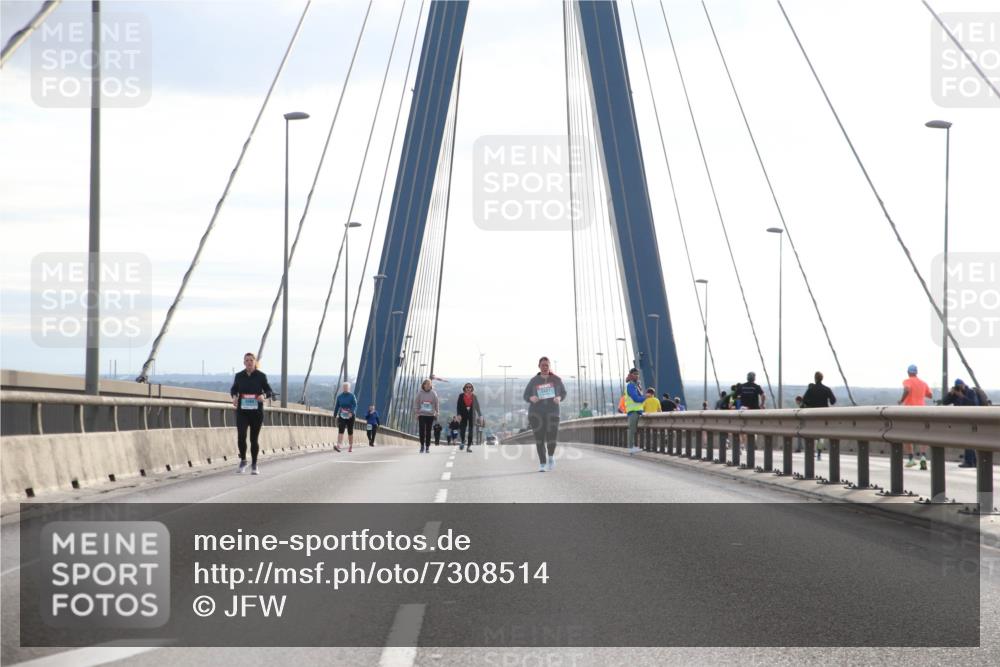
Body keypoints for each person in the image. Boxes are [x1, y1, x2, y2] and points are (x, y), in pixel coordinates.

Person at [230, 352, 273, 475]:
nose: (249, 362)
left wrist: (263, 395)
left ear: (255, 362)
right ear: (244, 362)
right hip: (242, 411)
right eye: (247, 360)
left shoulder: (261, 376)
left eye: (251, 360)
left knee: (254, 439)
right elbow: (234, 389)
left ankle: (254, 464)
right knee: (241, 436)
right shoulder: (239, 376)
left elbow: (269, 390)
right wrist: (234, 397)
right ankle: (243, 460)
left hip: (256, 412)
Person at [523, 356, 568, 472]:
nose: (544, 367)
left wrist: (559, 397)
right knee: (540, 440)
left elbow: (564, 393)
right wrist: (531, 398)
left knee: (552, 438)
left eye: (546, 365)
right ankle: (542, 463)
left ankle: (551, 457)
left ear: (549, 366)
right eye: (542, 365)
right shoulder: (534, 380)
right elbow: (525, 395)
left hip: (553, 413)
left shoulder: (556, 379)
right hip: (536, 414)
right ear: (539, 366)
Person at [898, 364, 932, 468]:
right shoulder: (923, 383)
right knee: (922, 434)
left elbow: (907, 390)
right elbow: (930, 395)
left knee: (907, 435)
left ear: (908, 372)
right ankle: (923, 457)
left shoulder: (907, 381)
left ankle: (911, 459)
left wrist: (901, 400)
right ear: (916, 373)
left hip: (910, 411)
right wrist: (920, 393)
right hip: (922, 411)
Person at [943, 379, 980, 467]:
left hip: (972, 419)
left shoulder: (970, 392)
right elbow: (945, 402)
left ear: (964, 384)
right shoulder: (955, 394)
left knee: (968, 440)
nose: (959, 388)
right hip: (962, 420)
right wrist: (950, 394)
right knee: (967, 440)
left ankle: (969, 461)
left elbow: (974, 404)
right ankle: (973, 461)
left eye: (960, 386)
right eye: (957, 386)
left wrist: (962, 396)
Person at [413, 379, 439, 453]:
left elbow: (437, 403)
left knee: (428, 431)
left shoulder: (433, 393)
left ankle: (427, 446)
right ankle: (422, 446)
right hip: (422, 414)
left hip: (430, 415)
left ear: (431, 385)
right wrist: (416, 413)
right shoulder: (420, 393)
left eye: (429, 384)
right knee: (422, 430)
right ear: (423, 385)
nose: (428, 385)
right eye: (426, 384)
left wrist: (437, 412)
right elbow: (416, 403)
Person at [623, 368, 645, 455]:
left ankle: (633, 447)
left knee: (635, 430)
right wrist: (645, 397)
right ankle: (631, 448)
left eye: (638, 374)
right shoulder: (630, 386)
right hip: (633, 411)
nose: (637, 375)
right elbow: (636, 399)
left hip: (638, 411)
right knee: (632, 430)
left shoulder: (636, 385)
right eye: (635, 374)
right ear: (631, 375)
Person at [456, 382, 482, 453]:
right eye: (467, 387)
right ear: (464, 388)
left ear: (472, 388)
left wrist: (480, 416)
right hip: (463, 415)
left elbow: (477, 407)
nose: (468, 388)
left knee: (471, 431)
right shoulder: (461, 396)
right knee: (462, 430)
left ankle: (469, 446)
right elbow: (458, 406)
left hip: (472, 416)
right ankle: (463, 441)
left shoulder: (474, 396)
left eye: (470, 387)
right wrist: (458, 414)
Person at [333, 382, 358, 453]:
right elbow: (337, 406)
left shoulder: (352, 396)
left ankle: (350, 446)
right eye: (344, 387)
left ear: (349, 388)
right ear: (342, 388)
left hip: (350, 415)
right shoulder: (340, 396)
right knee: (341, 429)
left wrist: (351, 412)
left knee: (350, 431)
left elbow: (355, 405)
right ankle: (339, 445)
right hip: (342, 415)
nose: (345, 388)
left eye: (346, 387)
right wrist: (335, 415)